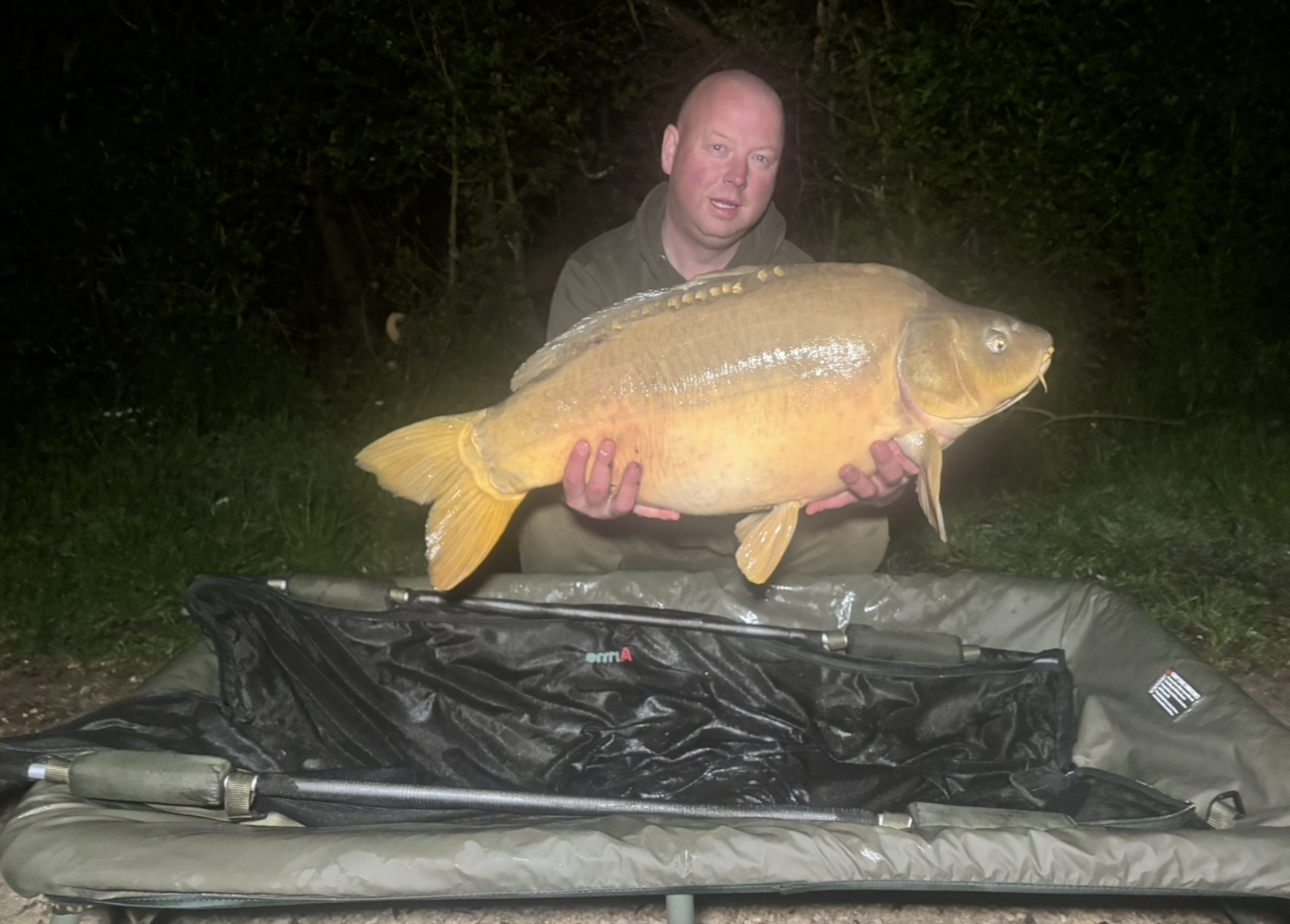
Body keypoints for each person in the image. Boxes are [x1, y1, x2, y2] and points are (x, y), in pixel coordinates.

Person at [517, 70, 918, 578]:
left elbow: (850, 436)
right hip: (631, 525)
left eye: (761, 159)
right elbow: (554, 424)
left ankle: (767, 628)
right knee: (549, 526)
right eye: (719, 148)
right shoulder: (596, 275)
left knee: (860, 530)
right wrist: (578, 489)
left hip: (761, 526)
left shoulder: (804, 288)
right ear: (671, 150)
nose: (738, 177)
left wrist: (883, 484)